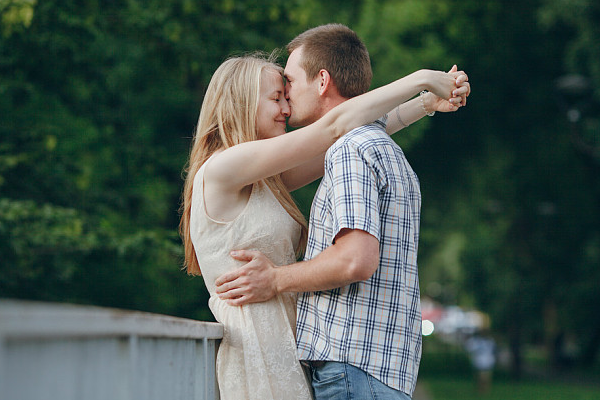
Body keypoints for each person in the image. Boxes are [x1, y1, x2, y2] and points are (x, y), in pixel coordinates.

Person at [214, 24, 470, 400]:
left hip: (352, 369)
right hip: (380, 370)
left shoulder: (350, 150)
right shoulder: (379, 147)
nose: (286, 96)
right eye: (277, 95)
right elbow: (354, 124)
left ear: (322, 81)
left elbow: (355, 261)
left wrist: (275, 279)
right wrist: (425, 101)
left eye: (289, 82)